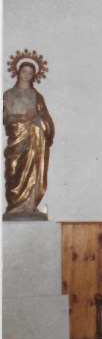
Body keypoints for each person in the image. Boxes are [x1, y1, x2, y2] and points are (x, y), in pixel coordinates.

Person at [3, 52, 54, 217]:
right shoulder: (9, 94)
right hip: (17, 140)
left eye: (30, 73)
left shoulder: (37, 96)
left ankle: (30, 207)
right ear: (18, 72)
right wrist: (23, 118)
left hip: (34, 140)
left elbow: (46, 119)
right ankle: (15, 205)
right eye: (24, 71)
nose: (27, 75)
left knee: (33, 171)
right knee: (14, 172)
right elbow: (5, 118)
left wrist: (38, 120)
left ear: (34, 76)